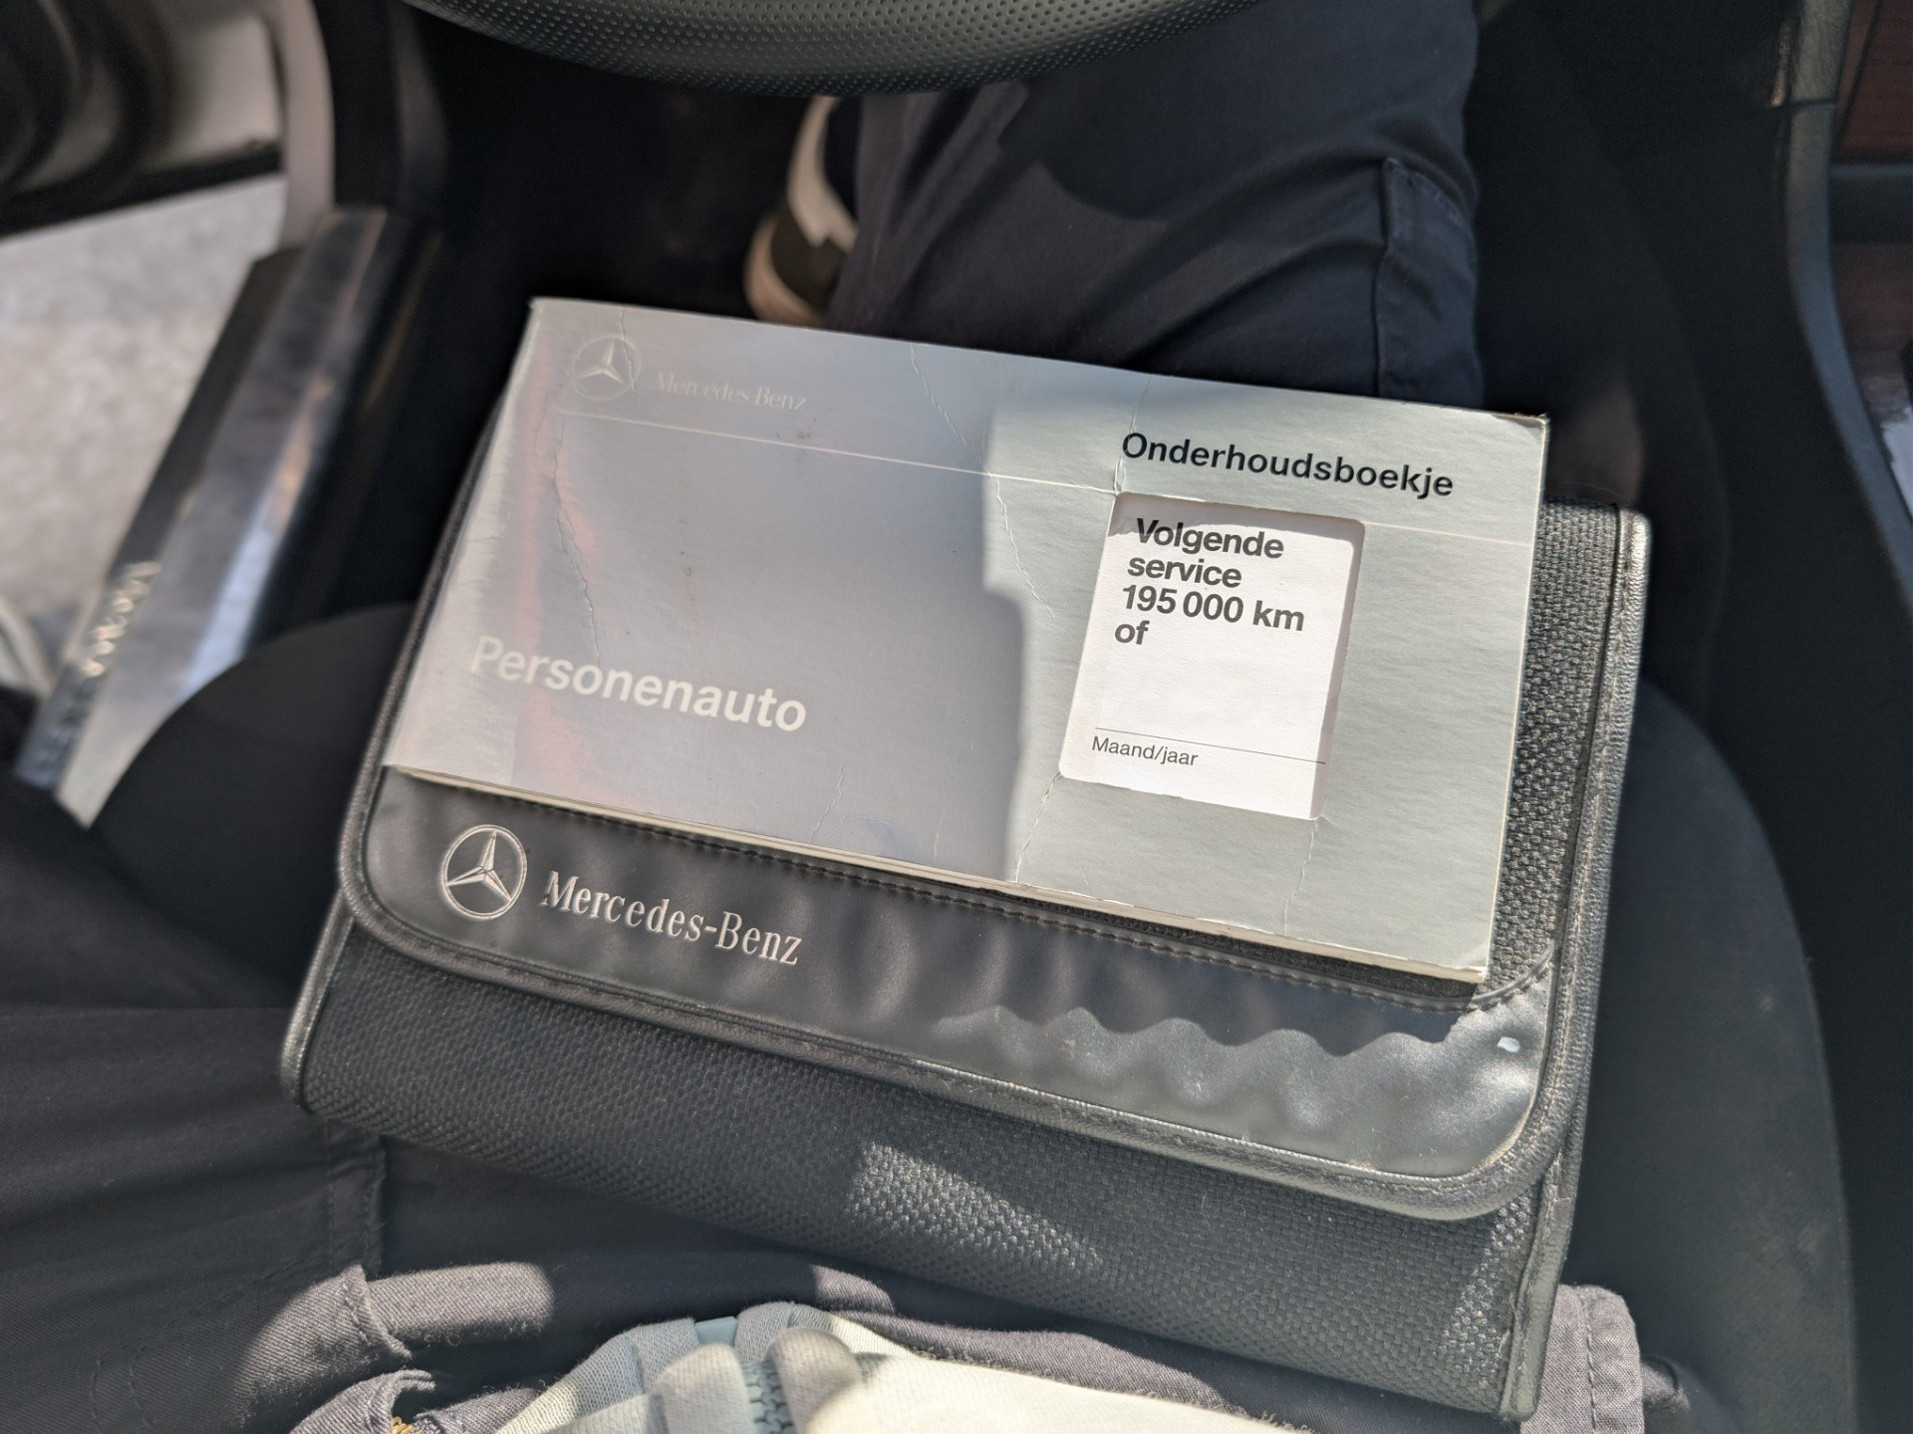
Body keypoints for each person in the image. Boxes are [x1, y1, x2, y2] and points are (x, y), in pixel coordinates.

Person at [0, 1, 1747, 1428]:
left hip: (221, 1291)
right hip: (1179, 1321)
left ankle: (858, 186)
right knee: (1234, 59)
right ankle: (878, 174)